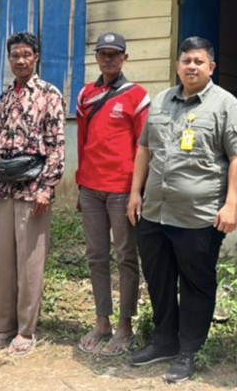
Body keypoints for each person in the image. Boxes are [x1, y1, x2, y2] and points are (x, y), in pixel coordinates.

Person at [127, 36, 237, 384]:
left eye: (199, 61)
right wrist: (135, 193)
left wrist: (231, 205)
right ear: (178, 65)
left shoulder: (226, 105)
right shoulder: (161, 102)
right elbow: (144, 150)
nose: (192, 66)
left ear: (211, 66)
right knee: (159, 280)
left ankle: (188, 350)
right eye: (186, 61)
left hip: (198, 216)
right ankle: (164, 340)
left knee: (196, 284)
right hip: (154, 211)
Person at [0, 31, 65, 357]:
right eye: (15, 55)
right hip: (4, 188)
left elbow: (57, 145)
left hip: (34, 189)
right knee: (3, 263)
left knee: (30, 263)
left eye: (26, 54)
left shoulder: (49, 95)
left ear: (36, 57)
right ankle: (4, 327)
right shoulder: (4, 97)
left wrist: (47, 187)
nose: (20, 60)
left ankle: (26, 331)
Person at [75, 32, 149, 357]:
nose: (108, 59)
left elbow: (143, 147)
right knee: (96, 255)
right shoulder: (86, 94)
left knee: (125, 256)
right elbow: (82, 142)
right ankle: (102, 320)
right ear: (96, 57)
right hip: (90, 188)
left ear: (124, 58)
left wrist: (137, 192)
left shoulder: (137, 96)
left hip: (122, 190)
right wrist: (80, 184)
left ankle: (125, 324)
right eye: (103, 54)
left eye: (114, 54)